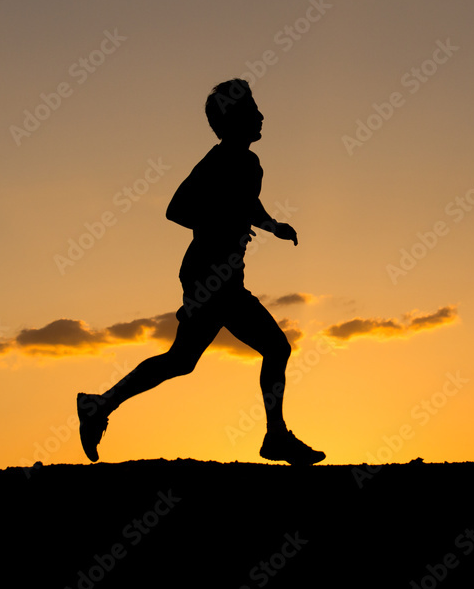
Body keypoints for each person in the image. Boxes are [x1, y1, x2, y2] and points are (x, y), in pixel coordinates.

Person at [76, 79, 325, 466]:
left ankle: (99, 405)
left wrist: (273, 226)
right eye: (251, 111)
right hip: (211, 278)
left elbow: (247, 202)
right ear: (231, 121)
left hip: (218, 277)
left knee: (181, 360)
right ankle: (275, 436)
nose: (261, 116)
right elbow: (176, 209)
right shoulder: (219, 160)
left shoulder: (247, 163)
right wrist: (221, 223)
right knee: (276, 347)